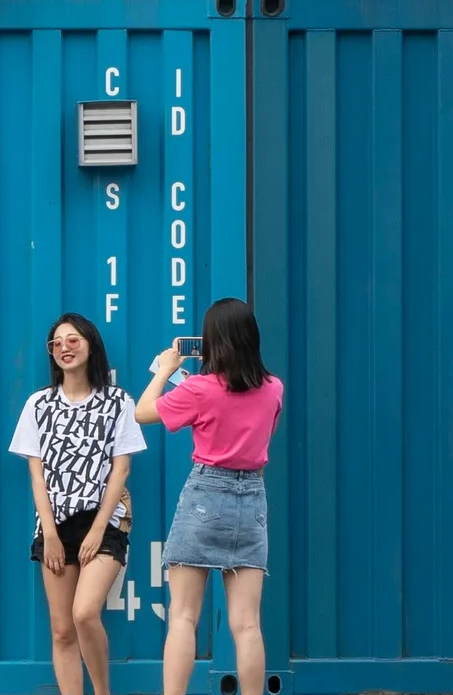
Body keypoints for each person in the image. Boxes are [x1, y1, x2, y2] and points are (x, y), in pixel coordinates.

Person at [134, 298, 284, 695]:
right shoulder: (273, 388)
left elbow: (142, 412)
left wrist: (167, 370)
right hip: (252, 496)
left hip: (205, 493)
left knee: (183, 616)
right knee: (247, 622)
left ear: (212, 342)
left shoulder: (199, 388)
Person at [8, 314, 148, 695]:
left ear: (91, 345)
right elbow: (37, 476)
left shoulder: (118, 402)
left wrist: (99, 530)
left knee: (85, 613)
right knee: (61, 629)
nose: (64, 348)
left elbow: (121, 471)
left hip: (104, 521)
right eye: (57, 343)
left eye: (73, 340)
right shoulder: (38, 404)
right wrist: (50, 534)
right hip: (54, 525)